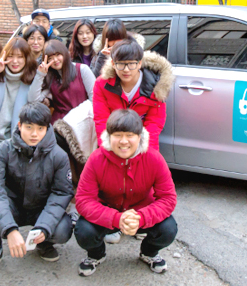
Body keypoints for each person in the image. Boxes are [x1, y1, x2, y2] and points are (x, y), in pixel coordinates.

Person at [0, 103, 74, 279]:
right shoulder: (4, 150)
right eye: (29, 127)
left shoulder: (59, 155)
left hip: (41, 208)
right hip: (13, 206)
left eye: (40, 128)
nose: (34, 134)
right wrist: (9, 229)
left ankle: (43, 243)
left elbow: (61, 193)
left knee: (62, 229)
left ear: (47, 128)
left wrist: (44, 226)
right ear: (19, 126)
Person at [74, 109, 177, 276]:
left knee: (168, 229)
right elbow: (84, 200)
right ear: (109, 136)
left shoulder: (154, 159)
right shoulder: (96, 159)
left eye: (130, 135)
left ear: (140, 137)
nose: (123, 141)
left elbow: (168, 198)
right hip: (108, 214)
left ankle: (149, 252)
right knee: (84, 231)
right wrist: (116, 218)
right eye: (117, 135)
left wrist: (142, 217)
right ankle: (96, 254)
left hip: (140, 215)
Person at [93, 37, 173, 152]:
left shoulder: (156, 86)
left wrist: (144, 151)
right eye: (121, 64)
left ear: (139, 63)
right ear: (113, 64)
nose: (126, 70)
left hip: (142, 141)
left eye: (131, 64)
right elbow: (101, 120)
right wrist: (108, 149)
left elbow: (154, 123)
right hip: (114, 140)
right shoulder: (102, 84)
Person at [0, 38, 43, 153]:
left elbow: (33, 102)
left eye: (20, 57)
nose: (15, 61)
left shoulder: (32, 76)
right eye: (11, 56)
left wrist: (40, 75)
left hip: (17, 140)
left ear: (26, 58)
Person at [30, 40, 95, 125]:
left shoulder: (82, 69)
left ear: (64, 53)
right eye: (50, 58)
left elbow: (94, 99)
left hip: (83, 121)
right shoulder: (50, 77)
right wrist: (40, 74)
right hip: (60, 125)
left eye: (58, 55)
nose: (55, 60)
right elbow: (33, 101)